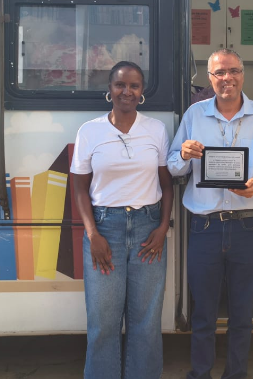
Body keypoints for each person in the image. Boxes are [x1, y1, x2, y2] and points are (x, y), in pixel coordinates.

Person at [168, 49, 253, 379]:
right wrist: (184, 154)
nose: (227, 78)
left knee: (241, 315)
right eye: (219, 73)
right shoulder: (194, 115)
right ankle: (200, 373)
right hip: (204, 228)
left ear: (243, 75)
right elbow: (173, 166)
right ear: (210, 78)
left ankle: (236, 374)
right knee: (203, 313)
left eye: (233, 71)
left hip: (247, 228)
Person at [70, 61, 173, 379]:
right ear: (109, 90)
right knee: (103, 321)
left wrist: (162, 228)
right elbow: (79, 188)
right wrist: (93, 234)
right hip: (105, 229)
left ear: (142, 92)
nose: (127, 91)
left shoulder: (155, 129)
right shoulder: (90, 131)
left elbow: (167, 185)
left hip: (148, 229)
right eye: (120, 85)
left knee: (146, 320)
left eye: (134, 86)